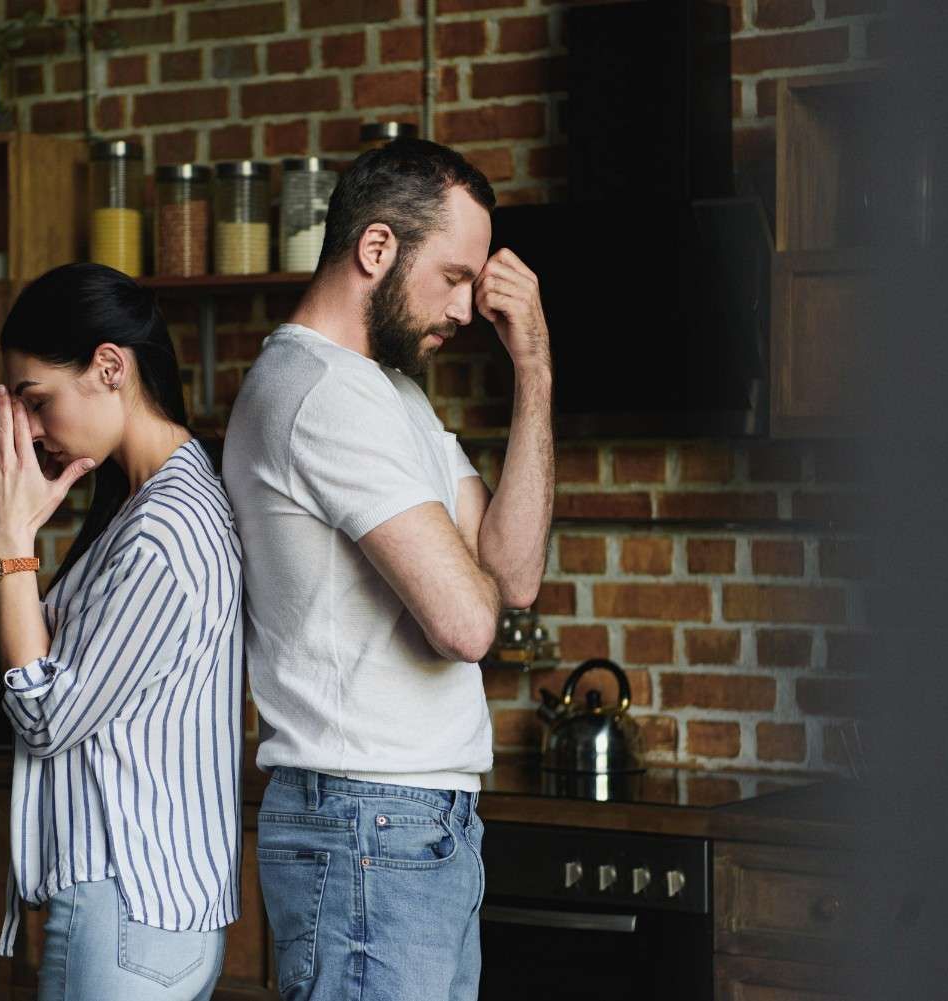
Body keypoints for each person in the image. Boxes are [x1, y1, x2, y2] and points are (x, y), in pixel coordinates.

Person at [222, 138, 554, 1000]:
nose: (467, 308)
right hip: (365, 820)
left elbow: (513, 575)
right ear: (377, 248)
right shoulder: (318, 391)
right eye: (453, 276)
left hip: (412, 821)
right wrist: (469, 574)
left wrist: (534, 369)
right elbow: (468, 624)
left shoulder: (389, 393)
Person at [0, 263, 243, 1001]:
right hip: (141, 910)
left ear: (110, 368)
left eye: (38, 400)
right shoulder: (147, 506)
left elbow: (45, 715)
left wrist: (8, 535)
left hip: (127, 906)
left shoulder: (163, 530)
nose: (30, 428)